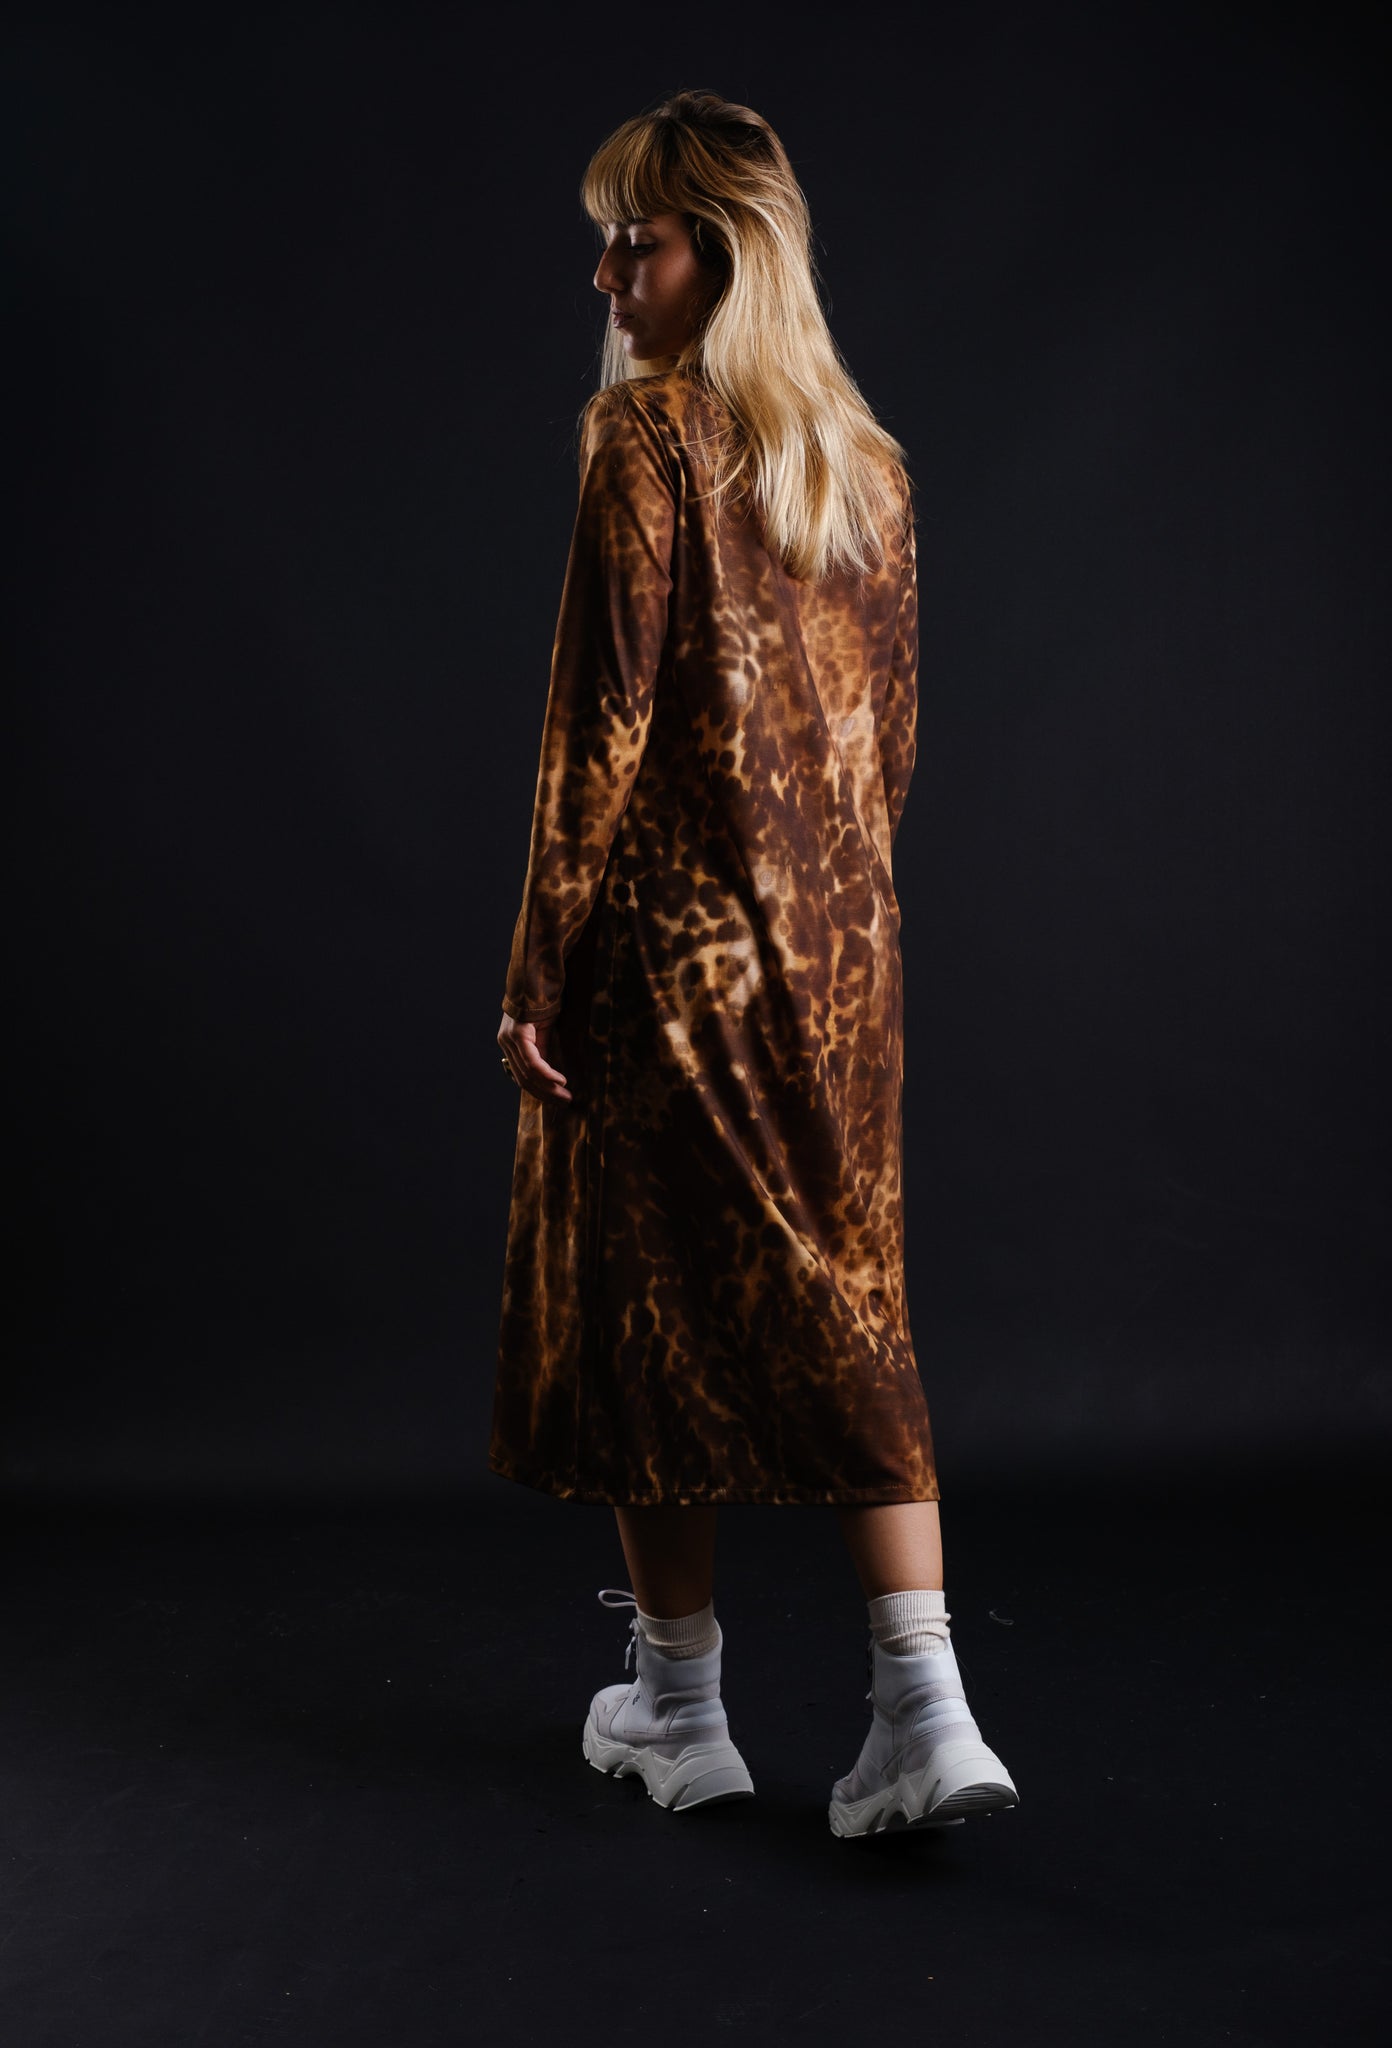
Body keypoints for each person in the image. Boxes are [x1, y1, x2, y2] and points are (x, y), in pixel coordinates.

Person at [492, 88, 1018, 1837]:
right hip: (845, 962)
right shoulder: (869, 466)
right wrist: (833, 907)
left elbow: (599, 726)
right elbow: (895, 749)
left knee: (650, 1308)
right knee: (852, 1301)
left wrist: (542, 964)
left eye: (632, 244)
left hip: (670, 954)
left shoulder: (644, 437)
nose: (606, 277)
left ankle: (681, 1707)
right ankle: (926, 1709)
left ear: (719, 256)